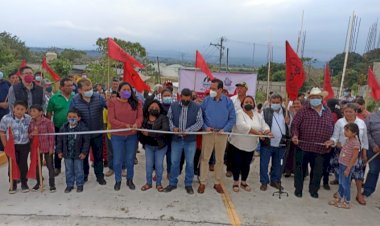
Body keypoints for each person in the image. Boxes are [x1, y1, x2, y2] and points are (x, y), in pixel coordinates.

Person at [291, 87, 334, 198]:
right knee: (300, 170)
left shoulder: (328, 111)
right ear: (309, 99)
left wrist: (331, 140)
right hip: (302, 146)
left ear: (321, 98)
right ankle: (298, 190)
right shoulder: (303, 110)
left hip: (321, 149)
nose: (315, 99)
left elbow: (331, 127)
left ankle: (313, 190)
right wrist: (295, 135)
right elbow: (295, 125)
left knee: (317, 172)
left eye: (317, 97)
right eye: (312, 97)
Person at [325, 103, 368, 205]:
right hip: (342, 153)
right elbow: (335, 137)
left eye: (350, 111)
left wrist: (364, 154)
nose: (348, 114)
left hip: (355, 154)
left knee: (358, 175)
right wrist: (332, 142)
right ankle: (341, 193)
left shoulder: (361, 123)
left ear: (355, 112)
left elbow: (365, 140)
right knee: (342, 176)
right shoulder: (339, 122)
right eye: (346, 111)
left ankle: (358, 195)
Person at [198, 79, 236, 194]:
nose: (211, 90)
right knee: (205, 158)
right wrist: (205, 127)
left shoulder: (228, 102)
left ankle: (217, 182)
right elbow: (200, 115)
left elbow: (232, 118)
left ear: (220, 89)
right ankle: (203, 182)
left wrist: (225, 129)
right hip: (208, 133)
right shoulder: (206, 100)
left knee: (219, 160)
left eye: (214, 88)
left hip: (222, 134)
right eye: (211, 88)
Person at [164, 88, 204, 194]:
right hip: (176, 139)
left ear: (191, 97)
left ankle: (188, 184)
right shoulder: (173, 106)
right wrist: (173, 128)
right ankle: (172, 183)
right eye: (184, 96)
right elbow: (169, 119)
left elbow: (200, 122)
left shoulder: (197, 107)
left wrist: (189, 131)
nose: (185, 99)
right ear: (180, 96)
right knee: (174, 162)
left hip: (190, 140)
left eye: (188, 97)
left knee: (190, 163)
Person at [228, 96, 270, 192]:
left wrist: (267, 132)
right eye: (246, 102)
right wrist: (258, 134)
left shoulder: (257, 115)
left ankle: (243, 182)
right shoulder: (239, 113)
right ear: (242, 104)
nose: (248, 104)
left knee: (246, 165)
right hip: (237, 144)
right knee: (237, 163)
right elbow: (241, 126)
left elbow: (264, 125)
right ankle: (235, 182)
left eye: (251, 102)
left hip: (251, 146)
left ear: (254, 104)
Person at [69, 78, 107, 185]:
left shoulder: (99, 97)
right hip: (82, 135)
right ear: (80, 90)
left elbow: (109, 108)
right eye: (86, 89)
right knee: (83, 156)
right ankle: (84, 176)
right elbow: (71, 115)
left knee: (98, 157)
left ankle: (100, 176)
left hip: (97, 133)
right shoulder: (75, 100)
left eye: (90, 88)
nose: (90, 91)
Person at [108, 82, 143, 191]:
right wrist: (125, 125)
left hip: (131, 136)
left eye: (128, 89)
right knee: (117, 160)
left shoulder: (136, 103)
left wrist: (137, 124)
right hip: (117, 135)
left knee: (130, 159)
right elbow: (112, 119)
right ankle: (118, 180)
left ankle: (129, 179)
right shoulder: (112, 102)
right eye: (124, 89)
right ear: (119, 91)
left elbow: (140, 117)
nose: (126, 91)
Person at [0, 101, 32, 193]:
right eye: (17, 109)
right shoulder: (6, 118)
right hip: (11, 146)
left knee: (23, 164)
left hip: (24, 145)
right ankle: (13, 184)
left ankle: (24, 183)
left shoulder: (28, 119)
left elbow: (31, 130)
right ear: (13, 108)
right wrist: (6, 146)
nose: (19, 111)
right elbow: (2, 132)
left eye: (22, 109)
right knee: (12, 164)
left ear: (26, 110)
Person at [259, 93, 289, 191]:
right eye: (273, 102)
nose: (275, 104)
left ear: (281, 102)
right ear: (270, 102)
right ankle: (264, 182)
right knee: (264, 164)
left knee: (278, 164)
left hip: (281, 144)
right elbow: (260, 125)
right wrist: (263, 133)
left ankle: (275, 181)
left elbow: (292, 127)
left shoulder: (286, 113)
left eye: (277, 102)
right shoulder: (265, 112)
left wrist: (289, 122)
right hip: (267, 144)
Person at [56, 109, 90, 193]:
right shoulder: (63, 128)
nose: (71, 118)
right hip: (67, 153)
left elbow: (86, 142)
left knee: (79, 169)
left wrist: (84, 152)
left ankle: (79, 184)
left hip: (78, 154)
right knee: (68, 170)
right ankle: (69, 185)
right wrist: (59, 151)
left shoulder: (83, 128)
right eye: (69, 117)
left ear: (79, 118)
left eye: (74, 117)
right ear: (67, 117)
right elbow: (59, 140)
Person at [138, 100, 169, 192]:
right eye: (152, 107)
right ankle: (148, 183)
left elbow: (165, 130)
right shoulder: (145, 118)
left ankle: (159, 184)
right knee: (149, 165)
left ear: (160, 110)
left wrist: (149, 133)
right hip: (149, 146)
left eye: (156, 108)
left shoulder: (163, 118)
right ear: (148, 109)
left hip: (160, 146)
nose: (154, 109)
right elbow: (140, 129)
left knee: (159, 165)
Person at [328, 123, 360, 209]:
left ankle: (347, 202)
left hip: (347, 166)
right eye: (345, 130)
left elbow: (354, 157)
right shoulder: (348, 140)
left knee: (345, 184)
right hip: (342, 164)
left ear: (354, 133)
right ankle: (339, 198)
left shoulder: (356, 143)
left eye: (347, 130)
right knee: (341, 183)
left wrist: (348, 168)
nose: (345, 132)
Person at [47, 78, 74, 176]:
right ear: (61, 87)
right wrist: (49, 128)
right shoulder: (54, 98)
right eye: (68, 86)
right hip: (58, 127)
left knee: (72, 146)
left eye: (72, 85)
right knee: (59, 147)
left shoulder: (75, 97)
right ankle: (57, 167)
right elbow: (49, 113)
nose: (71, 87)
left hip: (73, 127)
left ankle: (72, 167)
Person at [28, 104, 56, 192]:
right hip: (36, 148)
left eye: (34, 111)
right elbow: (29, 135)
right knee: (37, 166)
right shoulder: (31, 122)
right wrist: (32, 134)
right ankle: (39, 181)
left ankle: (52, 184)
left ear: (40, 112)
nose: (32, 113)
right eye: (31, 111)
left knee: (50, 166)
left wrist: (51, 147)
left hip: (47, 147)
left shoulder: (48, 122)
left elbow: (51, 136)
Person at [226, 82, 249, 177]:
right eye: (238, 88)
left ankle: (239, 169)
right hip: (233, 128)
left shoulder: (249, 100)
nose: (239, 89)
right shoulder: (232, 99)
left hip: (244, 129)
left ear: (246, 89)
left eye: (241, 88)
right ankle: (229, 169)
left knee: (242, 150)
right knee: (231, 149)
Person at [362, 108, 380, 197]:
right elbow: (366, 132)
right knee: (373, 170)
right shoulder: (371, 117)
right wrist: (373, 145)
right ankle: (367, 191)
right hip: (373, 149)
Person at [284, 98, 303, 177]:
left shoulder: (304, 113)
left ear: (301, 105)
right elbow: (288, 125)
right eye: (294, 103)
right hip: (291, 137)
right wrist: (287, 122)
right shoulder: (289, 113)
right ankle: (288, 170)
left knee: (299, 156)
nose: (296, 105)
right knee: (290, 155)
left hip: (301, 138)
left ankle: (298, 172)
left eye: (298, 103)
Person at [0, 71, 11, 152]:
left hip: (5, 114)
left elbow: (12, 95)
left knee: (4, 133)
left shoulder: (7, 83)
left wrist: (8, 103)